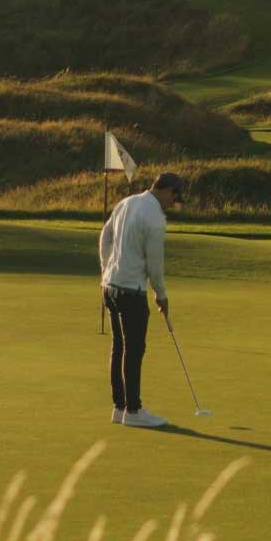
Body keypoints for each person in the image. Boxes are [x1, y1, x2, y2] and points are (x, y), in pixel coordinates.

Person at [98, 171, 184, 429]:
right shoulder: (155, 218)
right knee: (133, 350)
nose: (173, 204)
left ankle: (120, 407)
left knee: (119, 347)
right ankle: (133, 410)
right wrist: (161, 294)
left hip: (110, 287)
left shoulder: (127, 202)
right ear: (166, 190)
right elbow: (155, 264)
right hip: (131, 292)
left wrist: (107, 270)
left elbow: (105, 236)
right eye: (175, 198)